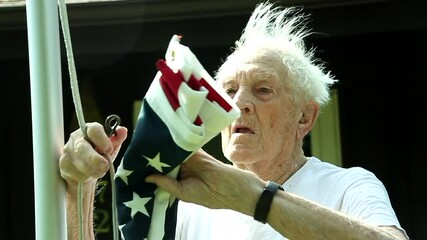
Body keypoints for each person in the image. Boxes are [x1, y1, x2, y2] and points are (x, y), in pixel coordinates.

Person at [59, 1, 409, 239]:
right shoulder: (187, 206)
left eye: (263, 90)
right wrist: (81, 189)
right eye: (228, 91)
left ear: (305, 116)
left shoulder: (348, 186)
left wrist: (255, 198)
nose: (238, 104)